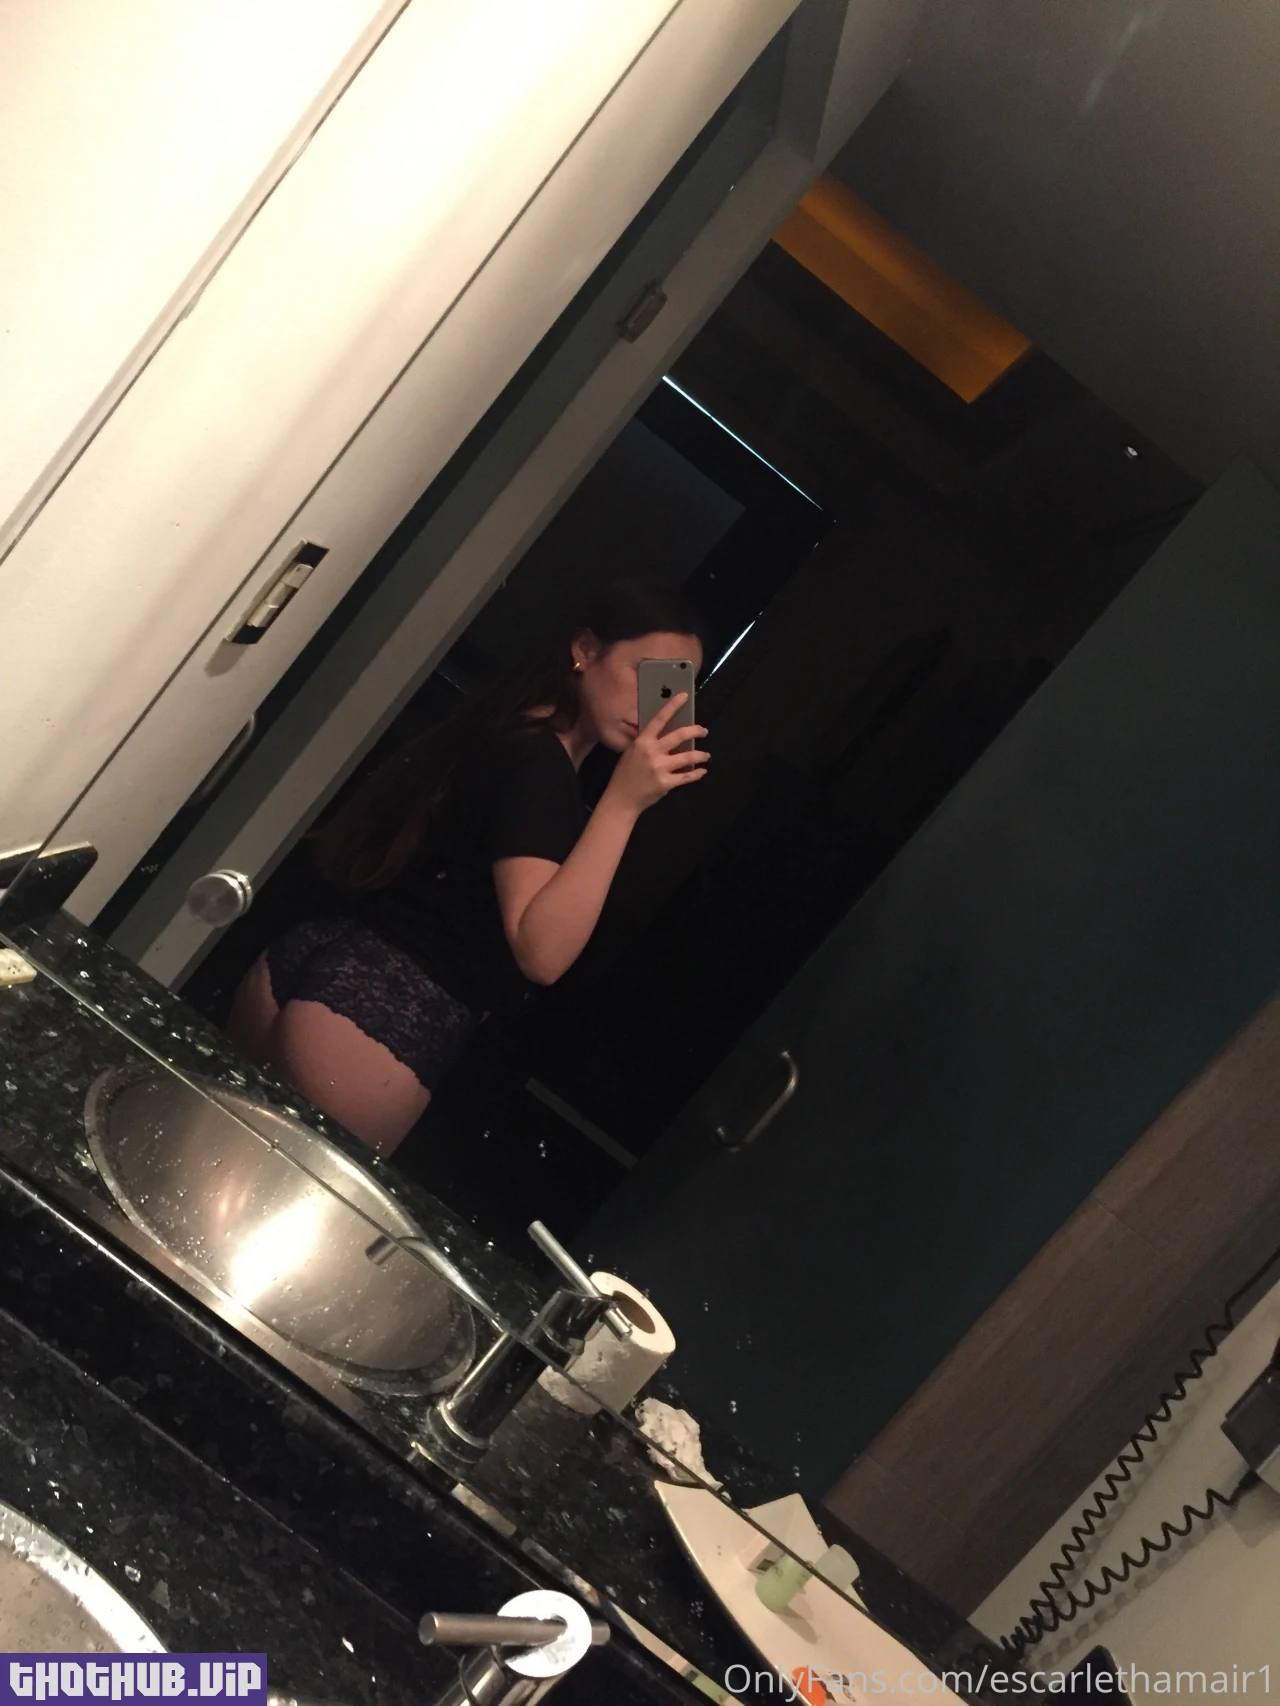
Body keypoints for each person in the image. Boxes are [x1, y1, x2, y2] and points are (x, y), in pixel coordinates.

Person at [227, 579, 708, 1156]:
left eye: (675, 689)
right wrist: (625, 803)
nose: (656, 705)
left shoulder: (511, 729)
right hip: (381, 1014)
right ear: (585, 650)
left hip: (312, 961)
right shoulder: (543, 768)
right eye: (648, 675)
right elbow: (542, 953)